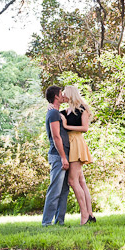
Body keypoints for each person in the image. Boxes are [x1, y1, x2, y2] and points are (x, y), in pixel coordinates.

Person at [60, 84, 95, 225]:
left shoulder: (82, 109)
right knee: (81, 181)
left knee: (72, 181)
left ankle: (84, 216)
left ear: (70, 94)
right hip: (69, 144)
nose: (62, 96)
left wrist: (67, 126)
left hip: (77, 143)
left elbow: (85, 128)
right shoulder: (64, 111)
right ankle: (90, 214)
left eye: (64, 94)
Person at [41, 85, 70, 226]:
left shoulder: (58, 113)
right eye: (61, 93)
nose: (63, 95)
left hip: (63, 155)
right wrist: (63, 157)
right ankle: (46, 222)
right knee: (55, 190)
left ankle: (60, 222)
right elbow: (56, 137)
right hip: (58, 156)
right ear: (57, 96)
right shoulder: (53, 114)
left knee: (64, 190)